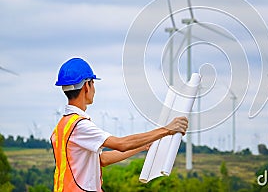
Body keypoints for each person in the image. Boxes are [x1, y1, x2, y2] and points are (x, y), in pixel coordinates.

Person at [51, 57, 188, 192]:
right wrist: (167, 130)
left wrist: (142, 146)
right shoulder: (80, 126)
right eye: (93, 83)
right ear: (87, 85)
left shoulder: (62, 127)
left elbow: (101, 160)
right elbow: (121, 144)